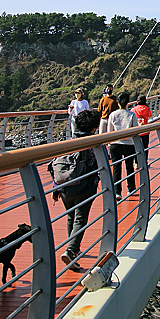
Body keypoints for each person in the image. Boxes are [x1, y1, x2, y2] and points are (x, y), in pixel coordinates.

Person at [52, 109, 100, 272]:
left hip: (65, 187)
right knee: (81, 218)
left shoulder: (68, 142)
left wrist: (56, 188)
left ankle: (73, 246)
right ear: (94, 128)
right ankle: (71, 250)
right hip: (84, 187)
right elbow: (101, 164)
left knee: (71, 216)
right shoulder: (94, 143)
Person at [105, 92, 138, 198]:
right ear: (128, 102)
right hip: (129, 144)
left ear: (117, 102)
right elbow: (135, 130)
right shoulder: (131, 115)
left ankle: (117, 192)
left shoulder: (112, 115)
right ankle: (131, 189)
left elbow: (109, 132)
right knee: (129, 167)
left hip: (115, 144)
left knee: (116, 168)